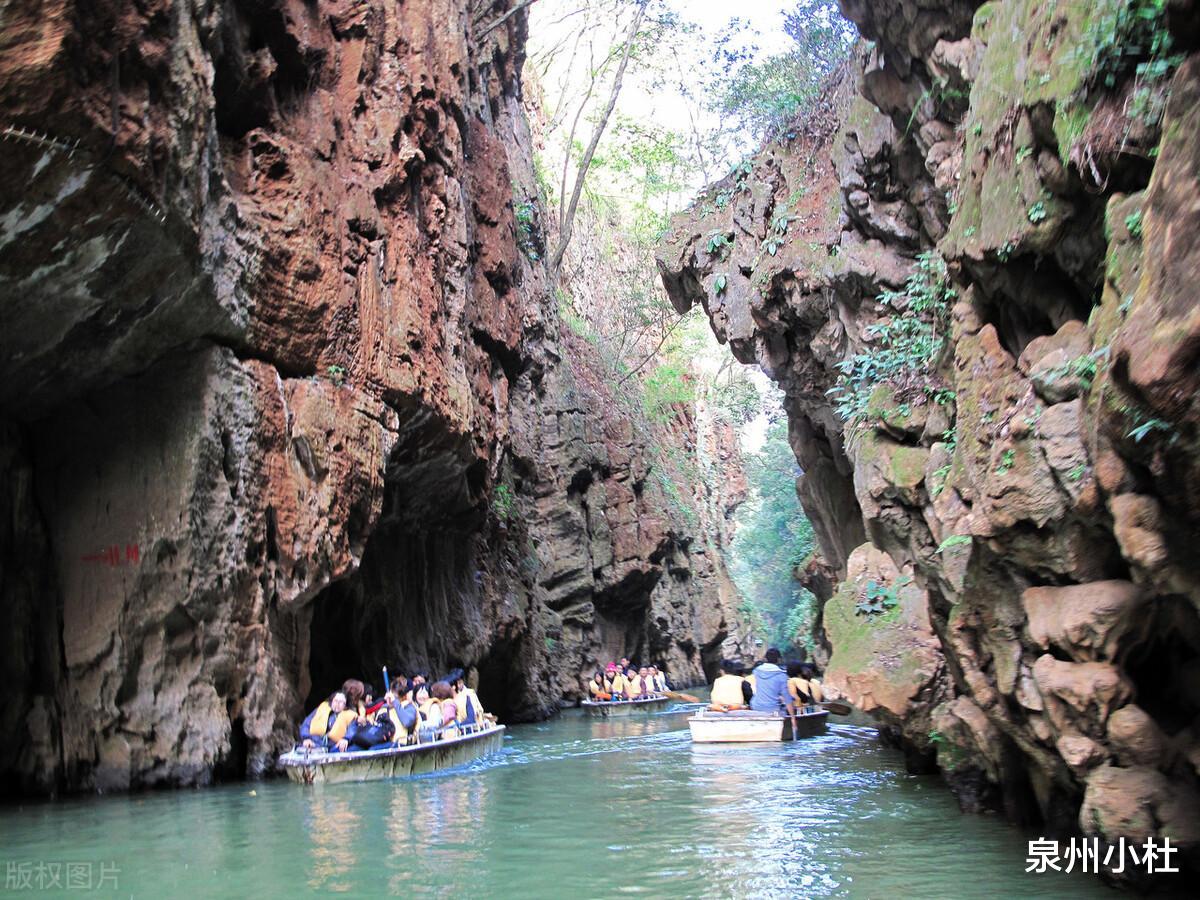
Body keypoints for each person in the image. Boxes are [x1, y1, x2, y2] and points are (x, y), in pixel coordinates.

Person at [749, 648, 798, 731]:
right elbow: (787, 698)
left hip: (756, 706)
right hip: (772, 708)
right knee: (784, 707)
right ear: (779, 659)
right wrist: (793, 719)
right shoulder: (782, 675)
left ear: (766, 659)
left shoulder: (756, 671)